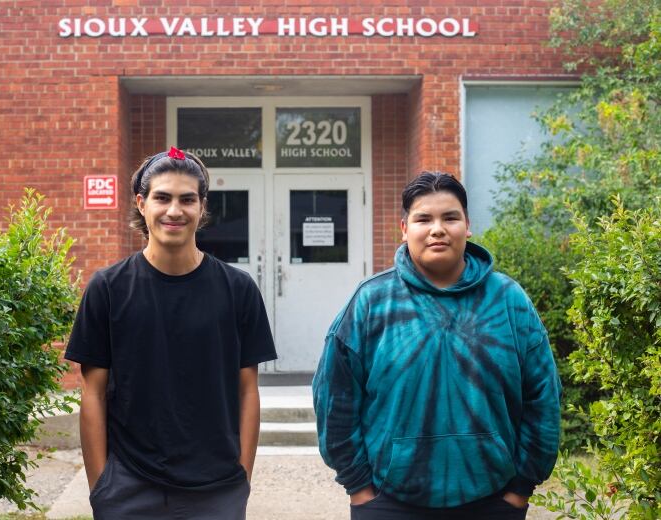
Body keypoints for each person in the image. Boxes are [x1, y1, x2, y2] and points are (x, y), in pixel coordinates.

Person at [312, 171, 561, 519]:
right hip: (388, 503)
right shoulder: (371, 303)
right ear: (404, 229)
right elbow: (334, 400)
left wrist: (521, 488)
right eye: (423, 219)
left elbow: (543, 398)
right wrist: (359, 488)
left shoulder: (509, 301)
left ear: (468, 225)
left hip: (493, 500)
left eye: (450, 217)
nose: (437, 229)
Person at [65, 146, 277, 520]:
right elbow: (93, 393)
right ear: (142, 203)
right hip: (129, 488)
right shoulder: (108, 289)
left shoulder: (238, 289)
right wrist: (102, 489)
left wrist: (242, 480)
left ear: (202, 207)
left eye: (187, 199)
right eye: (162, 197)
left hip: (217, 489)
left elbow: (248, 391)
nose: (175, 210)